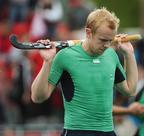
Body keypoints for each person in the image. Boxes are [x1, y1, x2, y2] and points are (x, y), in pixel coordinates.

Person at [31, 7, 138, 136]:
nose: (107, 45)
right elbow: (38, 97)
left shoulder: (111, 55)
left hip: (107, 131)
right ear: (88, 32)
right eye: (103, 40)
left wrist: (129, 54)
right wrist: (47, 62)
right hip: (76, 131)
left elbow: (130, 90)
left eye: (110, 40)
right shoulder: (65, 56)